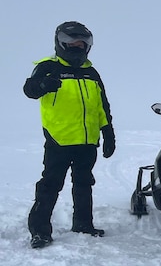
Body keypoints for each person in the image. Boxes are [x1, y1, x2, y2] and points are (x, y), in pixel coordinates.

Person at [23, 21, 115, 249]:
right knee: (51, 184)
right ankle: (40, 230)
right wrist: (43, 84)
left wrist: (109, 132)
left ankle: (83, 224)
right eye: (72, 43)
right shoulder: (48, 67)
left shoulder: (91, 73)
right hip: (59, 140)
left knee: (84, 183)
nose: (77, 47)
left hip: (87, 141)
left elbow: (101, 106)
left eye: (82, 44)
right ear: (61, 43)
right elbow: (29, 89)